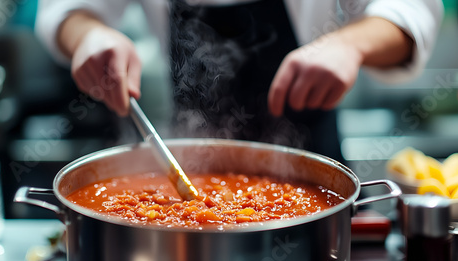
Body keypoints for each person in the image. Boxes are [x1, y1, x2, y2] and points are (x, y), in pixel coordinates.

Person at [36, 0, 443, 161]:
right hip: (192, 157)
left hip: (315, 165)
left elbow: (414, 9)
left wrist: (351, 44)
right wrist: (88, 34)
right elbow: (67, 9)